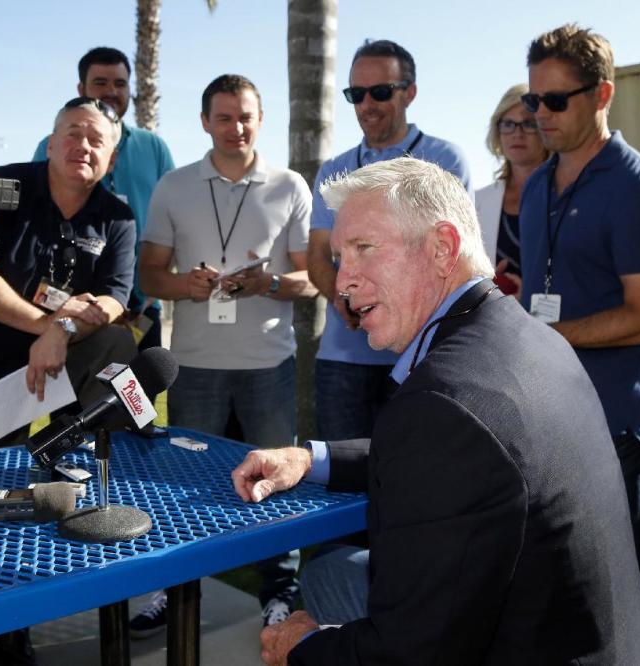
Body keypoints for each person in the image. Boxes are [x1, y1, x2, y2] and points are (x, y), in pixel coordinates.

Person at [234, 157, 640, 665]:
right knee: (330, 572)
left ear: (442, 249)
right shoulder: (531, 340)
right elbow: (460, 461)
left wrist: (301, 649)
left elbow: (410, 653)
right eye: (341, 256)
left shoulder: (445, 402)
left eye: (365, 248)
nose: (343, 282)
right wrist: (311, 459)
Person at [519, 24, 640, 651]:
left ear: (602, 94)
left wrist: (550, 338)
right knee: (555, 575)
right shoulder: (538, 186)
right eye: (534, 101)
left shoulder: (638, 187)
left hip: (619, 420)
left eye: (556, 101)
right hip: (553, 413)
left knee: (622, 581)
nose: (541, 115)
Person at [136, 74, 315, 636]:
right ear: (204, 122)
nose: (235, 128)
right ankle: (171, 584)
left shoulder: (290, 186)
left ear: (261, 120)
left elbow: (312, 281)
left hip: (268, 365)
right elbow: (149, 273)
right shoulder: (174, 185)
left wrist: (271, 282)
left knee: (275, 479)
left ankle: (280, 590)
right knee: (182, 480)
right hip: (194, 364)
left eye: (245, 117)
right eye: (223, 117)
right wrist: (183, 286)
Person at [0, 97, 138, 452]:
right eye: (73, 134)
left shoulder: (117, 217)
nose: (82, 146)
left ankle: (92, 459)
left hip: (64, 365)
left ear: (111, 162)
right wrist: (48, 327)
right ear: (50, 144)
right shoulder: (0, 186)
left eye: (96, 141)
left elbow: (114, 298)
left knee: (117, 341)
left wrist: (61, 333)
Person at [307, 39, 472, 443]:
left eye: (380, 92)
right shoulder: (334, 168)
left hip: (419, 354)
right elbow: (317, 258)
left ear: (409, 92)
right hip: (343, 357)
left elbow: (450, 257)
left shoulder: (444, 161)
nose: (367, 104)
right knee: (338, 482)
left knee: (418, 479)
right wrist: (348, 302)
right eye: (356, 94)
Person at [32, 47, 175, 352]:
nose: (111, 91)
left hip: (138, 309)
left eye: (120, 84)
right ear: (81, 89)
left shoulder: (154, 148)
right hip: (65, 308)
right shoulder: (54, 144)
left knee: (135, 394)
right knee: (69, 395)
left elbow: (174, 220)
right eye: (101, 83)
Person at [474, 83, 548, 295]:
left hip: (555, 321)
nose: (517, 133)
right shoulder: (477, 201)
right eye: (508, 124)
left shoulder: (565, 195)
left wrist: (529, 296)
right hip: (495, 319)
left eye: (528, 123)